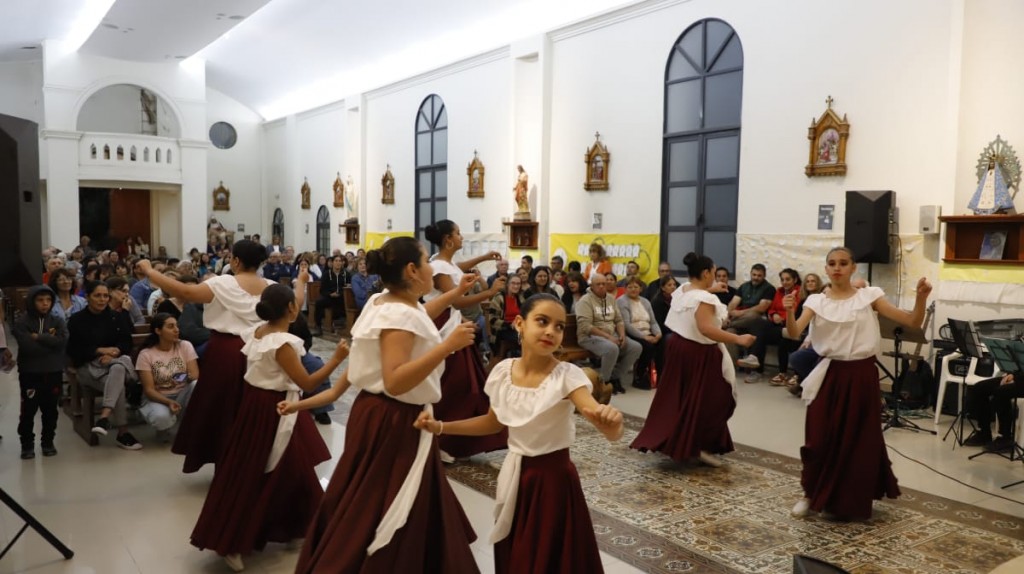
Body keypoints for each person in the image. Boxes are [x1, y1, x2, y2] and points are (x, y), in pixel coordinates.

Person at [293, 236, 480, 573]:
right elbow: (395, 379)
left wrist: (454, 293)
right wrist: (447, 346)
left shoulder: (383, 301)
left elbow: (418, 316)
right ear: (412, 270)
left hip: (377, 413)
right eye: (425, 261)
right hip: (395, 419)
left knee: (373, 498)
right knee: (381, 506)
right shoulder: (397, 314)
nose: (430, 267)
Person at [414, 294, 624, 573]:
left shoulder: (568, 376)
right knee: (519, 550)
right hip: (516, 477)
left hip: (554, 481)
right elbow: (493, 423)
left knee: (549, 555)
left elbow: (593, 412)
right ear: (519, 324)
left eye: (559, 326)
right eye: (542, 321)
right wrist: (441, 427)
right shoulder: (502, 371)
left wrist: (611, 423)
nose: (551, 331)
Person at [191, 285, 346, 572]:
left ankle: (301, 526)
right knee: (256, 470)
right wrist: (336, 360)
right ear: (290, 309)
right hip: (273, 409)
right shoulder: (281, 343)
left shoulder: (259, 331)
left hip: (261, 405)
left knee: (294, 468)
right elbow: (307, 383)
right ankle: (232, 540)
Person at [785, 246, 932, 520]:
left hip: (862, 375)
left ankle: (850, 500)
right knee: (817, 437)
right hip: (829, 374)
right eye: (832, 263)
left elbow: (912, 320)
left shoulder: (869, 297)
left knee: (859, 439)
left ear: (853, 268)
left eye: (843, 263)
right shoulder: (816, 301)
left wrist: (921, 297)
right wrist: (790, 312)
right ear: (826, 268)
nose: (837, 268)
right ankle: (810, 494)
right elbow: (794, 333)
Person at [139, 240, 306, 473]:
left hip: (226, 353)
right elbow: (295, 303)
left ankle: (226, 465)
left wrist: (148, 271)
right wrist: (302, 283)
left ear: (235, 260)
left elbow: (184, 291)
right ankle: (259, 463)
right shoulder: (271, 287)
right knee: (257, 410)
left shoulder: (221, 283)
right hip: (261, 352)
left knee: (223, 411)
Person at [631, 253, 754, 467]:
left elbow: (694, 300)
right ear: (706, 273)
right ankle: (697, 444)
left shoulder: (683, 289)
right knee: (713, 398)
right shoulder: (705, 298)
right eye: (714, 274)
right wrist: (738, 339)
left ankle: (685, 441)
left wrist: (711, 289)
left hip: (678, 348)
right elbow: (706, 329)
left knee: (681, 397)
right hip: (698, 353)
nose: (716, 278)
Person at [423, 220, 508, 461]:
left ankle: (451, 440)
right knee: (457, 384)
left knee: (467, 383)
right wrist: (488, 293)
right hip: (443, 324)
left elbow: (457, 268)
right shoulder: (438, 267)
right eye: (458, 234)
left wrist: (482, 258)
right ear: (448, 240)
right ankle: (439, 439)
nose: (462, 237)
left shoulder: (444, 263)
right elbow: (457, 300)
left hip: (454, 323)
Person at [66, 281, 141, 450]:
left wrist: (114, 351)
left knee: (117, 370)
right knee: (118, 380)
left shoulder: (116, 316)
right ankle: (122, 432)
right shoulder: (77, 320)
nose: (102, 299)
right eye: (97, 295)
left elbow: (126, 341)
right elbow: (74, 350)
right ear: (87, 297)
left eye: (105, 296)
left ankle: (105, 417)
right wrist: (99, 350)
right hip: (87, 367)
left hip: (113, 364)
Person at [12, 286, 67, 459]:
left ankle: (48, 442)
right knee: (28, 410)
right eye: (40, 300)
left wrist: (39, 337)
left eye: (48, 300)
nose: (45, 304)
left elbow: (61, 342)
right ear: (32, 301)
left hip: (53, 371)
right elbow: (28, 347)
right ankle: (27, 444)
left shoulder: (57, 320)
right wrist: (50, 343)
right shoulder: (22, 322)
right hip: (30, 373)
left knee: (50, 410)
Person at [575, 273, 642, 395]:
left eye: (603, 284)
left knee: (636, 347)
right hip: (589, 337)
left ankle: (614, 377)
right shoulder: (585, 301)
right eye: (598, 284)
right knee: (611, 348)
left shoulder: (611, 299)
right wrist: (608, 337)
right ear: (592, 286)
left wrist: (622, 335)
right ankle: (603, 383)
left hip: (611, 335)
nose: (601, 286)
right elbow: (586, 326)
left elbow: (619, 320)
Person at [136, 313, 198, 442]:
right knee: (161, 419)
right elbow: (149, 390)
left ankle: (185, 426)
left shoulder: (185, 345)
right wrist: (168, 402)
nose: (176, 330)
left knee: (196, 384)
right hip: (158, 398)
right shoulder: (146, 354)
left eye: (176, 326)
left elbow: (195, 375)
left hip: (182, 393)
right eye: (170, 326)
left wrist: (181, 377)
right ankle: (164, 426)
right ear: (158, 331)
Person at [726, 263, 776, 383]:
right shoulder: (744, 286)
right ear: (750, 274)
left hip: (757, 319)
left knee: (754, 316)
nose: (756, 277)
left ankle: (723, 325)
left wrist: (741, 313)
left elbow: (761, 308)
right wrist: (728, 315)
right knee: (729, 333)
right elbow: (733, 303)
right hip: (741, 321)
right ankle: (732, 367)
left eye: (759, 275)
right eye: (754, 274)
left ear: (764, 276)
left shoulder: (769, 288)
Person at [617, 277, 662, 389]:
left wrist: (658, 334)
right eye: (630, 287)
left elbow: (653, 321)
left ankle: (659, 377)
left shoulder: (645, 301)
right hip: (632, 333)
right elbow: (626, 324)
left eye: (636, 287)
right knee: (648, 347)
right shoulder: (621, 301)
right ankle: (639, 376)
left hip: (647, 331)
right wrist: (644, 337)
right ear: (625, 288)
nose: (633, 289)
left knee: (663, 344)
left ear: (641, 288)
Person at [965, 372, 1024, 450]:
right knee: (979, 388)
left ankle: (1005, 437)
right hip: (1017, 377)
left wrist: (1014, 377)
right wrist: (1011, 374)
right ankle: (984, 433)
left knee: (1001, 392)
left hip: (1020, 380)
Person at [488, 274, 526, 367]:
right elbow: (492, 319)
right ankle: (520, 364)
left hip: (518, 328)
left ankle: (522, 362)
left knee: (528, 337)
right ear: (507, 284)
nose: (516, 286)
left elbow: (525, 315)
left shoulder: (520, 298)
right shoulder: (499, 297)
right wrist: (509, 324)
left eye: (518, 284)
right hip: (502, 329)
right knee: (523, 339)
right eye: (513, 283)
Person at [315, 255, 348, 335]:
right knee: (319, 303)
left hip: (341, 297)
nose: (338, 263)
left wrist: (340, 293)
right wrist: (330, 294)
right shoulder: (326, 274)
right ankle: (318, 327)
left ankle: (341, 326)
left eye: (340, 261)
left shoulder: (346, 274)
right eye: (336, 261)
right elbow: (322, 289)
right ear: (332, 263)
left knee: (345, 305)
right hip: (330, 297)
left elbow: (348, 286)